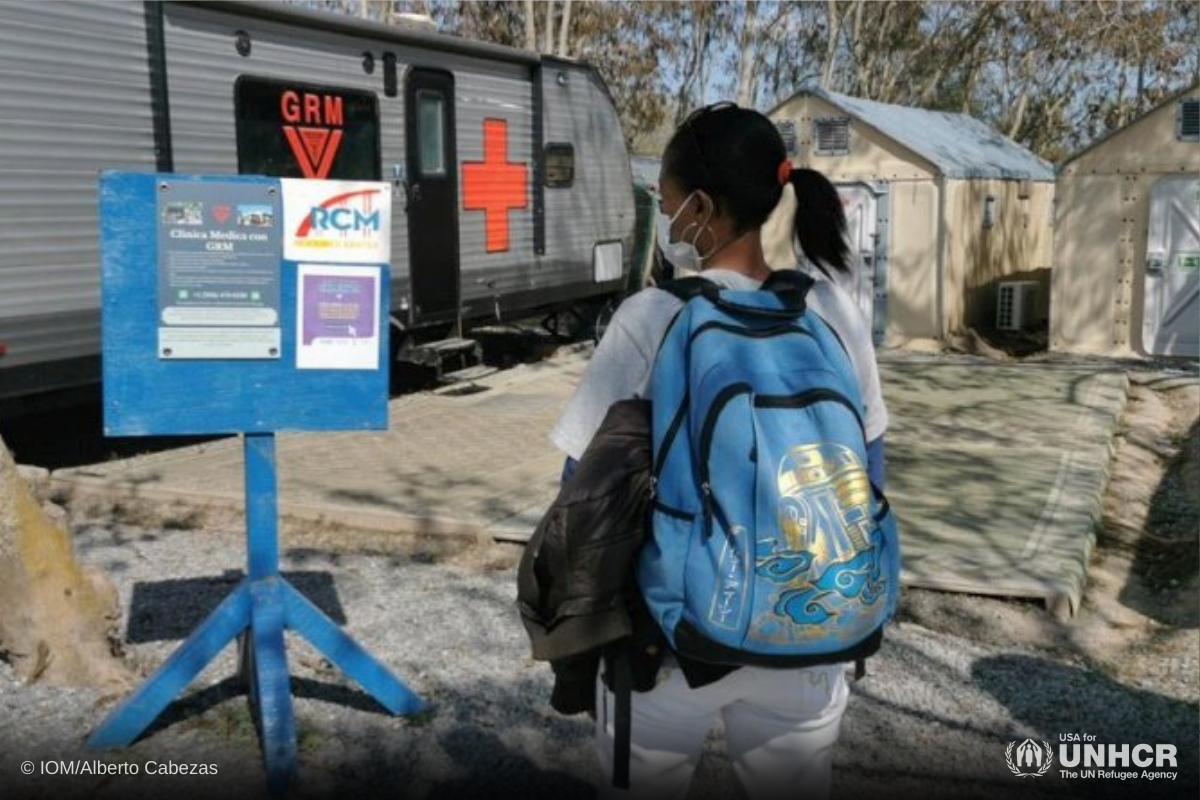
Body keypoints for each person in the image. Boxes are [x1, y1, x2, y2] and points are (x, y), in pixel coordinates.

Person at [549, 102, 889, 800]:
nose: (667, 220)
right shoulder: (831, 309)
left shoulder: (655, 317)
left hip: (673, 646)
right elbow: (871, 473)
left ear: (700, 208)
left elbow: (582, 493)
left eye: (669, 204)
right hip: (811, 635)